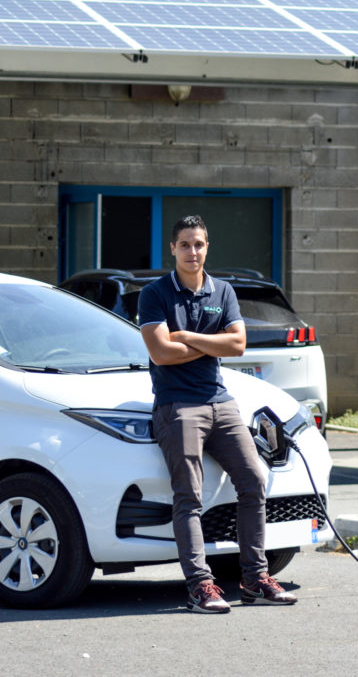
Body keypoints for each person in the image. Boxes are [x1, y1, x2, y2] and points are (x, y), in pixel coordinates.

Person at [137, 214, 297, 614]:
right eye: (185, 245)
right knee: (188, 495)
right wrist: (214, 344)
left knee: (254, 479)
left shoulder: (221, 291)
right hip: (178, 406)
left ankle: (255, 579)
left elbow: (238, 345)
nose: (193, 251)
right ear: (172, 249)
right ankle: (199, 586)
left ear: (208, 247)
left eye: (200, 244)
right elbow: (160, 353)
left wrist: (189, 338)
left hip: (220, 402)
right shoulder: (154, 294)